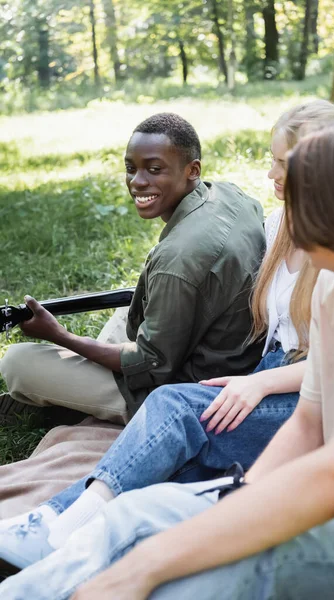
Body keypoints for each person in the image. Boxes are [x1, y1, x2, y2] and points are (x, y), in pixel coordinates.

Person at [0, 115, 334, 600]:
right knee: (135, 513)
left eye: (300, 189)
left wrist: (150, 564)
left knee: (214, 567)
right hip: (329, 486)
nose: (280, 189)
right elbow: (309, 424)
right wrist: (235, 500)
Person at [0, 112, 266, 425]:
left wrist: (59, 336)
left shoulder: (178, 260)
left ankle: (74, 404)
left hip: (188, 390)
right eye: (131, 168)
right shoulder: (230, 194)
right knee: (129, 307)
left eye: (155, 169)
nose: (138, 182)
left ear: (193, 170)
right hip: (228, 349)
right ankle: (71, 393)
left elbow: (152, 365)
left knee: (17, 362)